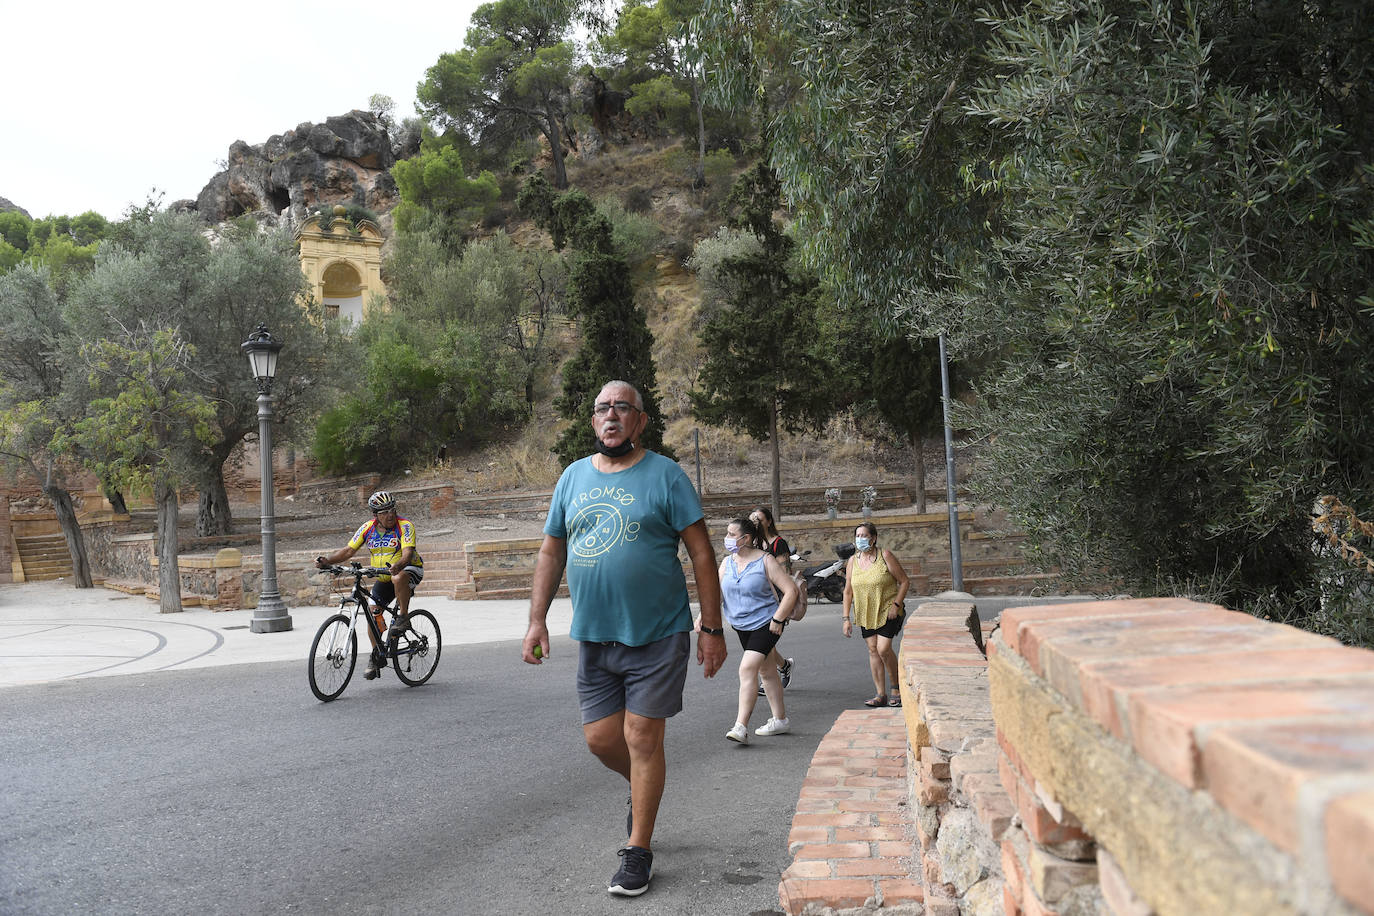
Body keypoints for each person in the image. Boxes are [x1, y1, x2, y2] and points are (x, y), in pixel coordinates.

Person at [522, 380, 727, 898]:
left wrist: (711, 627)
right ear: (593, 421)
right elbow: (551, 553)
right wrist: (537, 619)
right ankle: (642, 787)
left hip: (657, 633)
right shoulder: (571, 479)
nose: (611, 416)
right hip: (595, 637)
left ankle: (638, 851)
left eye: (622, 408)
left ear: (640, 420)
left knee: (641, 737)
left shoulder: (666, 476)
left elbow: (702, 554)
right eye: (602, 409)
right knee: (600, 739)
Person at [315, 491, 424, 680]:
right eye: (384, 512)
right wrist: (328, 561)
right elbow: (349, 551)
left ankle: (404, 617)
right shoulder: (367, 528)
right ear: (375, 515)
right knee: (373, 614)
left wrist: (398, 565)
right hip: (383, 577)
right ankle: (376, 655)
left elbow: (407, 553)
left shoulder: (405, 526)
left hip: (409, 570)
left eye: (392, 510)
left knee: (398, 578)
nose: (390, 515)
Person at [718, 516, 798, 744]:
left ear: (746, 538)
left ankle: (740, 726)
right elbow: (717, 594)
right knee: (767, 671)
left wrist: (778, 618)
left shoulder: (765, 560)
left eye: (732, 535)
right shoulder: (727, 563)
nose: (727, 538)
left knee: (747, 669)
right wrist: (704, 617)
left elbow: (790, 590)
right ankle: (780, 720)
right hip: (741, 625)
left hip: (766, 623)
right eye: (727, 533)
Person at [841, 521, 910, 707]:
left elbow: (904, 581)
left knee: (883, 649)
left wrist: (897, 604)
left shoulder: (885, 555)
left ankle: (896, 688)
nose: (860, 539)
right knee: (873, 650)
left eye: (864, 536)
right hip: (865, 611)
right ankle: (880, 694)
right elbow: (848, 591)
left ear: (874, 538)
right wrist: (846, 618)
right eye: (858, 536)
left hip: (888, 609)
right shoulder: (852, 561)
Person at [750, 506, 796, 691]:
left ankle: (769, 680)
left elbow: (784, 575)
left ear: (769, 521)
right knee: (763, 644)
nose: (756, 523)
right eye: (753, 520)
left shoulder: (778, 544)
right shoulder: (750, 544)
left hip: (774, 602)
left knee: (763, 644)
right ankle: (784, 666)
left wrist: (784, 608)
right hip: (755, 601)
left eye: (759, 519)